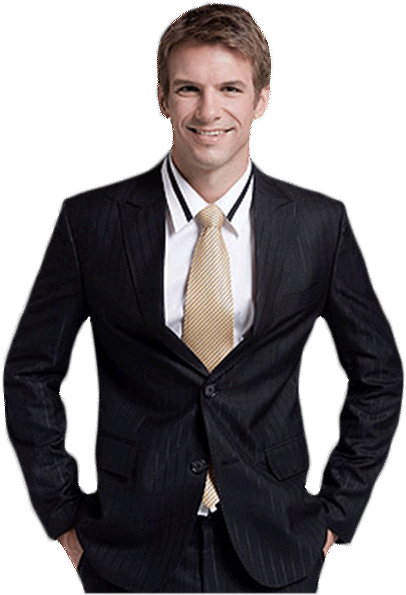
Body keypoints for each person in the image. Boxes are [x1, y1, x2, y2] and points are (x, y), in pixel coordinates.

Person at [3, 3, 403, 594]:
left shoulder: (319, 224)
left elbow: (379, 374)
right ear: (162, 97)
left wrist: (335, 518)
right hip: (130, 551)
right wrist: (63, 519)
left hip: (276, 548)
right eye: (189, 88)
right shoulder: (91, 221)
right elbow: (29, 371)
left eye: (230, 89)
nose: (209, 111)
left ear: (263, 99)